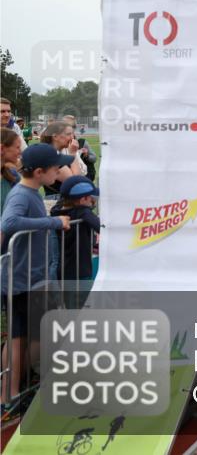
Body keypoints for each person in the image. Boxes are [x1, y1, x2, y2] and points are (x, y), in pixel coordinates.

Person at [1, 144, 73, 417]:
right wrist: (53, 223)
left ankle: (13, 391)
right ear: (40, 172)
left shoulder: (31, 191)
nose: (60, 171)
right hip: (22, 280)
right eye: (56, 168)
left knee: (25, 334)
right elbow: (9, 223)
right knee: (24, 336)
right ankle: (13, 393)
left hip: (29, 278)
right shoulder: (21, 193)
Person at [49, 176, 100, 298]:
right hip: (80, 272)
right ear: (83, 199)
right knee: (80, 307)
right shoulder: (83, 212)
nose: (93, 202)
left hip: (63, 270)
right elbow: (101, 227)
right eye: (91, 199)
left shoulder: (57, 211)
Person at [63, 116, 96, 181]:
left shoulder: (82, 142)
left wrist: (87, 156)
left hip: (85, 177)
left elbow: (94, 158)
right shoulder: (60, 143)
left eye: (72, 127)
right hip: (67, 177)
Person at [2, 128, 22, 212]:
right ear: (2, 149)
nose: (20, 152)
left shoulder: (10, 173)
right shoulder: (11, 173)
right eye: (17, 147)